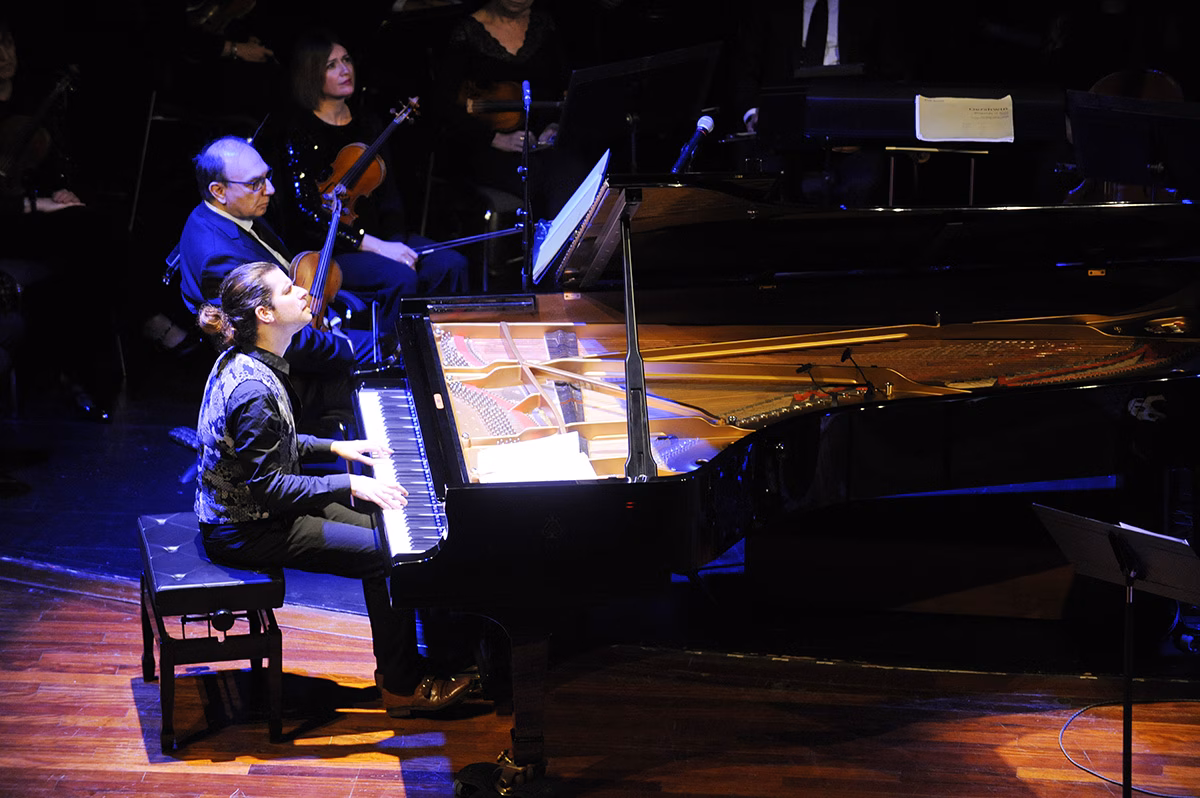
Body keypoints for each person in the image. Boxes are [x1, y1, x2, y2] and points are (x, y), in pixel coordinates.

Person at [194, 260, 474, 716]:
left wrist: (336, 446)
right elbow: (270, 487)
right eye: (289, 290)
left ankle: (413, 661)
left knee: (384, 526)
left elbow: (272, 443)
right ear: (265, 314)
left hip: (259, 512)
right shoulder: (252, 389)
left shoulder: (248, 360)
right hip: (246, 528)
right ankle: (403, 687)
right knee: (390, 558)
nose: (305, 293)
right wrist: (348, 483)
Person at [174, 135, 385, 429]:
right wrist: (348, 347)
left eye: (267, 177)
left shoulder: (232, 213)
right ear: (218, 190)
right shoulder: (219, 258)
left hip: (297, 333)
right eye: (255, 183)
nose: (270, 190)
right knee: (383, 355)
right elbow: (278, 340)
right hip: (286, 377)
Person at [274, 30, 468, 305]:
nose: (345, 70)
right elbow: (308, 213)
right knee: (401, 277)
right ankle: (395, 347)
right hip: (334, 250)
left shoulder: (369, 123)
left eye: (347, 60)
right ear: (311, 74)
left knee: (452, 263)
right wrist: (378, 247)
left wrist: (396, 241)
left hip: (382, 239)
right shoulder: (299, 131)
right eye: (332, 65)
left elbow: (390, 197)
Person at [430, 0, 583, 222]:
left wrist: (554, 125)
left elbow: (565, 87)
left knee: (575, 167)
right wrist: (495, 138)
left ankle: (568, 250)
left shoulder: (544, 24)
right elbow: (443, 107)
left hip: (540, 144)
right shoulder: (465, 32)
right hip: (485, 147)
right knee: (541, 177)